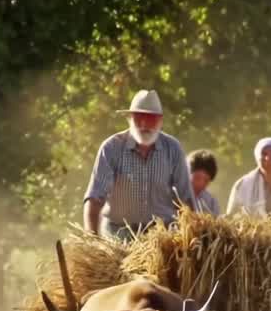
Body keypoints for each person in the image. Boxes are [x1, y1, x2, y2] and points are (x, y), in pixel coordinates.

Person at [83, 90, 194, 241]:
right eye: (139, 118)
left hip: (162, 237)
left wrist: (192, 236)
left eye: (150, 120)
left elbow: (186, 199)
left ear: (160, 121)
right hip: (118, 235)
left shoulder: (173, 148)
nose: (144, 125)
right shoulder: (111, 148)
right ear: (129, 119)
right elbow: (94, 199)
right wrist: (92, 240)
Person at [187, 149, 221, 216]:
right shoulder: (169, 196)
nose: (200, 184)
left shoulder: (211, 203)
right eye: (197, 178)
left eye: (206, 181)